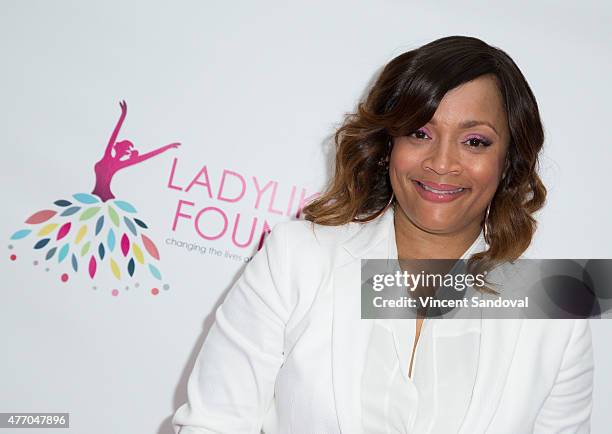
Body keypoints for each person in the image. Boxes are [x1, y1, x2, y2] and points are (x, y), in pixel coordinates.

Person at [172, 35, 593, 433]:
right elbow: (213, 424)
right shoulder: (295, 258)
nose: (442, 162)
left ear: (509, 160)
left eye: (475, 141)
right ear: (388, 144)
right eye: (420, 133)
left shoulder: (557, 311)